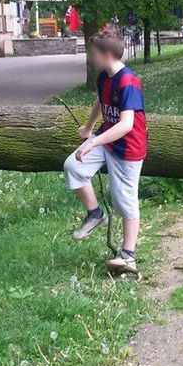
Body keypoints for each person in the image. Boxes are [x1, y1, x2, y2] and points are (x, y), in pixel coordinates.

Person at [65, 30, 148, 275]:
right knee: (73, 166)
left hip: (127, 149)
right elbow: (100, 102)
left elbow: (126, 125)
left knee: (125, 201)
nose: (91, 58)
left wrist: (92, 142)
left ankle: (128, 256)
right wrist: (88, 128)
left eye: (93, 54)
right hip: (107, 140)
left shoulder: (128, 81)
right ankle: (95, 214)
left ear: (108, 55)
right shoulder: (104, 77)